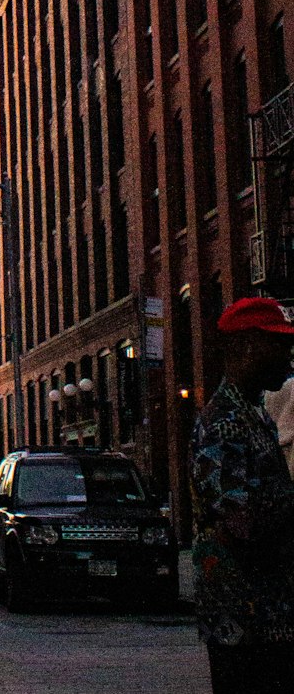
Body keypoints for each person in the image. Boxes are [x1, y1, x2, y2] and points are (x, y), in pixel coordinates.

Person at [191, 296, 294, 694]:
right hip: (246, 619)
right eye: (279, 343)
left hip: (268, 614)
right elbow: (239, 522)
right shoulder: (224, 423)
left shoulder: (255, 414)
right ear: (247, 346)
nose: (287, 355)